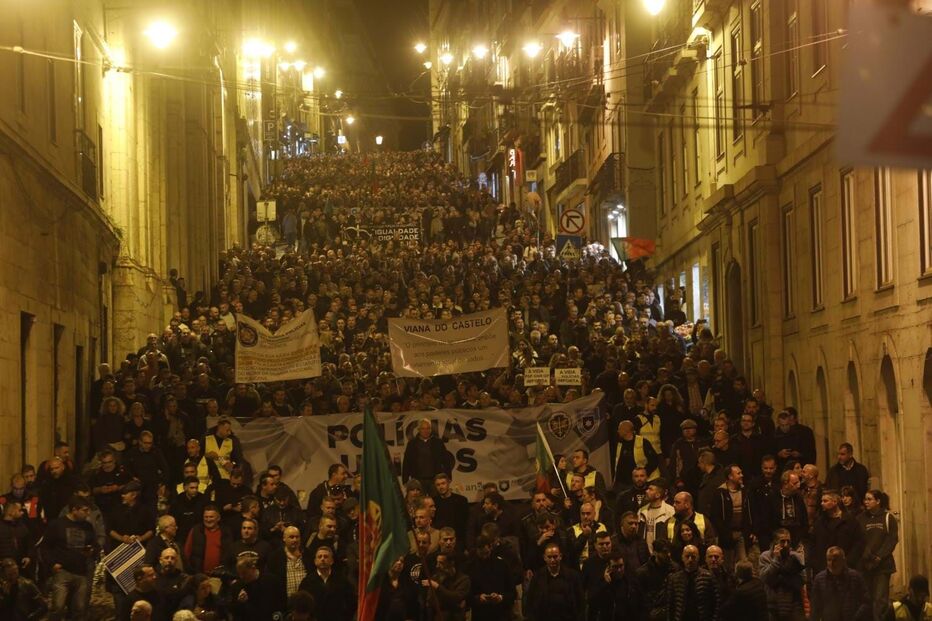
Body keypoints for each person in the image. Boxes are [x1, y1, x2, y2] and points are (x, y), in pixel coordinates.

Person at [43, 496, 99, 621]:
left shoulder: (87, 526)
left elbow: (95, 544)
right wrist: (52, 564)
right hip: (63, 571)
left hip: (81, 572)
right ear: (74, 510)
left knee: (79, 609)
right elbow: (45, 547)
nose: (88, 513)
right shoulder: (57, 524)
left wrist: (92, 551)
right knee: (58, 607)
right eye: (85, 510)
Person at [859, 489, 899, 621]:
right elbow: (858, 539)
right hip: (865, 564)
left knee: (880, 598)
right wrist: (867, 555)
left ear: (878, 501)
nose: (866, 502)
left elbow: (892, 539)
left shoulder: (888, 518)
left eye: (869, 499)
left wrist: (880, 556)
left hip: (883, 565)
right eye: (865, 499)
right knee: (866, 598)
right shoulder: (861, 518)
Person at [525, 542, 584, 621]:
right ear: (544, 558)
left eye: (555, 556)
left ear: (560, 556)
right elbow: (530, 602)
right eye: (549, 557)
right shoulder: (537, 577)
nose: (552, 560)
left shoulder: (573, 576)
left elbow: (580, 602)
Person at [810, 546, 871, 621]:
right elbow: (815, 607)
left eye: (835, 560)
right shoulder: (819, 579)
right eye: (829, 560)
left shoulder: (855, 577)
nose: (831, 564)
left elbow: (866, 601)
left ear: (843, 560)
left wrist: (856, 617)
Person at [758, 528, 806, 621]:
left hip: (794, 602)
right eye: (782, 541)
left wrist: (781, 578)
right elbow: (765, 578)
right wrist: (776, 560)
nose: (786, 544)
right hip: (773, 603)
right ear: (775, 542)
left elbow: (803, 579)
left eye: (788, 541)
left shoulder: (795, 556)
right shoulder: (765, 557)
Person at [297, 546, 355, 621]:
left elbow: (351, 602)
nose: (322, 559)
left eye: (326, 556)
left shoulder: (341, 580)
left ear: (332, 561)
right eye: (319, 557)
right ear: (315, 561)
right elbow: (301, 605)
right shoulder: (307, 582)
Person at [664, 544, 720, 621]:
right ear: (682, 558)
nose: (690, 560)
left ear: (698, 558)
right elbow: (670, 605)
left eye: (693, 557)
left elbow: (716, 602)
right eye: (687, 556)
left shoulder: (708, 577)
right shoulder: (674, 578)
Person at [467, 535, 515, 621]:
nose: (484, 556)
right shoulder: (470, 568)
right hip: (480, 614)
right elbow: (467, 594)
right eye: (481, 553)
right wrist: (478, 598)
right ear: (476, 550)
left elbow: (512, 592)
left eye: (486, 553)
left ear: (490, 548)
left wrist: (500, 597)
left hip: (501, 614)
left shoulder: (502, 565)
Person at [402, 419, 454, 493]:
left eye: (428, 428)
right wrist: (405, 480)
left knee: (437, 499)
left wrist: (448, 476)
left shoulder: (438, 442)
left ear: (431, 429)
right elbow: (406, 462)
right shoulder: (412, 444)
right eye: (423, 428)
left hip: (435, 479)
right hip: (417, 480)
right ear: (419, 430)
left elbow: (446, 461)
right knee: (419, 500)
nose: (426, 431)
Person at [228, 557, 286, 621]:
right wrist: (240, 602)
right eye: (239, 574)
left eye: (244, 573)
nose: (241, 576)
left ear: (253, 568)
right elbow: (234, 611)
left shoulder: (271, 581)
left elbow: (281, 602)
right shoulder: (237, 586)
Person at [183, 505, 229, 575]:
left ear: (218, 518)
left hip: (219, 575)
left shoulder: (225, 532)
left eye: (211, 517)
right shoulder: (196, 531)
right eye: (206, 517)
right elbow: (187, 552)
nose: (208, 520)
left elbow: (228, 554)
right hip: (199, 575)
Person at [0, 556, 47, 621]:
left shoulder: (27, 584)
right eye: (10, 574)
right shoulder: (2, 587)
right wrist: (5, 595)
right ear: (4, 574)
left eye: (15, 573)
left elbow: (43, 606)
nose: (13, 577)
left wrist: (30, 617)